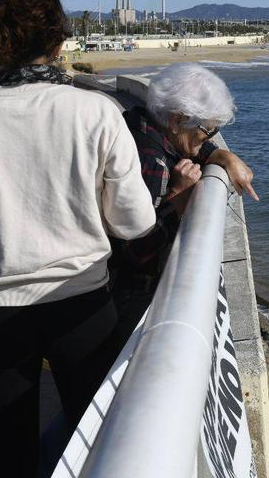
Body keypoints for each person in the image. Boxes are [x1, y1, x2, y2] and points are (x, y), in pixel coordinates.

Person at [0, 0, 157, 477]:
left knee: (10, 455)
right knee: (91, 449)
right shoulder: (96, 113)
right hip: (82, 308)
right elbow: (135, 225)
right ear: (59, 40)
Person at [109, 62, 257, 346]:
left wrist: (224, 157)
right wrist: (177, 198)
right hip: (128, 296)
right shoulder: (151, 163)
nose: (210, 139)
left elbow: (194, 145)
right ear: (177, 121)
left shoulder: (136, 124)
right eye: (209, 131)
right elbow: (133, 252)